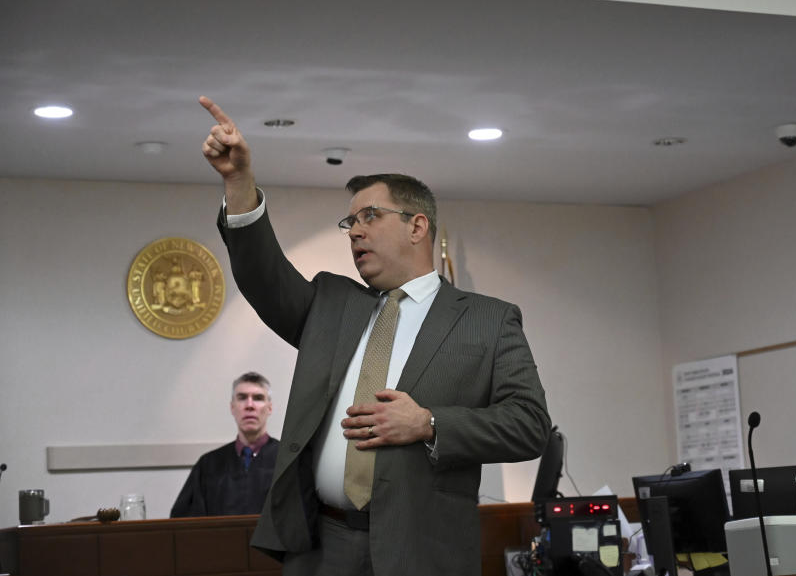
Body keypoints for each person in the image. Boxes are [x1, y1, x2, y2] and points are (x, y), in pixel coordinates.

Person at [198, 96, 551, 576]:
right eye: (350, 222)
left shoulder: (489, 320)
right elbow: (263, 276)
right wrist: (238, 182)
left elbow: (529, 424)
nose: (354, 232)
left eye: (370, 217)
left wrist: (429, 423)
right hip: (322, 545)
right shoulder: (330, 304)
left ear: (416, 226)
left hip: (422, 549)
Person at [171, 372, 279, 517]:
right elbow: (185, 523)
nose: (249, 405)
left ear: (269, 408)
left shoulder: (287, 461)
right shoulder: (208, 464)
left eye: (258, 398)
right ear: (232, 407)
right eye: (242, 398)